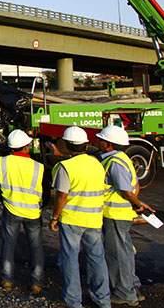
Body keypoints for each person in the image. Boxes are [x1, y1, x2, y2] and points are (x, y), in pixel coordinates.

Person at [50, 126, 111, 308]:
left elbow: (62, 196)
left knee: (70, 259)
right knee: (97, 259)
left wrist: (54, 217)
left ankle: (74, 301)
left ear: (67, 145)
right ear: (85, 145)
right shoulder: (97, 164)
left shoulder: (65, 167)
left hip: (72, 220)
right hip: (93, 218)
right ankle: (103, 299)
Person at [97, 125, 154, 306]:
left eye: (101, 139)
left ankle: (125, 294)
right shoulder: (121, 158)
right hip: (119, 212)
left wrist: (138, 204)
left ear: (108, 144)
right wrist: (137, 203)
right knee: (125, 251)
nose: (98, 141)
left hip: (115, 214)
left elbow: (126, 190)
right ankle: (132, 287)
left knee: (117, 254)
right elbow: (133, 187)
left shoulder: (114, 162)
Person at [0, 129, 45, 295]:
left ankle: (7, 280)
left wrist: (5, 199)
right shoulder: (38, 167)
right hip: (33, 212)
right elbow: (45, 191)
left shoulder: (2, 162)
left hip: (11, 209)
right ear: (26, 147)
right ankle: (36, 283)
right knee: (36, 246)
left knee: (9, 244)